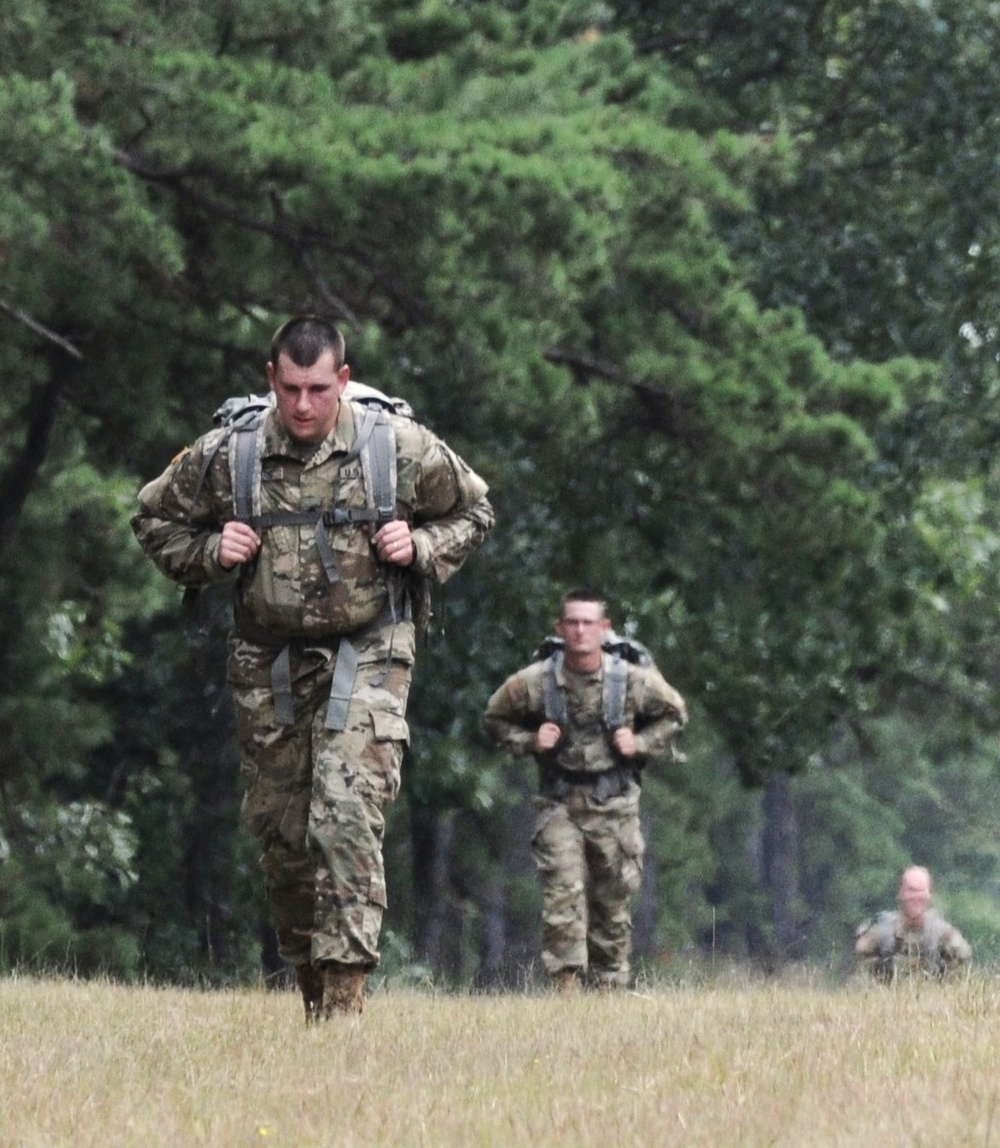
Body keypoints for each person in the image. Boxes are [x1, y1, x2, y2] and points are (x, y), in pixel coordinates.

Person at [132, 315, 493, 1019]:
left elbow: (475, 512)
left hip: (371, 645)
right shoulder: (227, 454)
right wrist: (211, 554)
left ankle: (346, 1005)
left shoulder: (396, 447)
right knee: (285, 833)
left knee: (347, 813)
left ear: (344, 382)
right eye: (291, 388)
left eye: (319, 389)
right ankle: (313, 992)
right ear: (271, 380)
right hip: (265, 653)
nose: (303, 405)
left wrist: (417, 545)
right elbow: (151, 520)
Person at [483, 589, 687, 991]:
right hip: (559, 802)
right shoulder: (535, 682)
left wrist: (640, 743)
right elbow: (494, 719)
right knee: (563, 896)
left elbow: (675, 713)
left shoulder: (630, 680)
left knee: (612, 904)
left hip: (615, 804)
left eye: (588, 622)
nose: (580, 631)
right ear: (560, 629)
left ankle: (609, 991)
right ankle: (568, 992)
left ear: (603, 628)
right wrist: (530, 741)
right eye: (572, 622)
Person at [854, 865, 971, 980]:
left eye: (920, 891)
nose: (915, 897)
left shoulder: (943, 935)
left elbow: (961, 968)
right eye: (911, 890)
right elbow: (863, 978)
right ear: (900, 893)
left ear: (929, 895)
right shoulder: (882, 933)